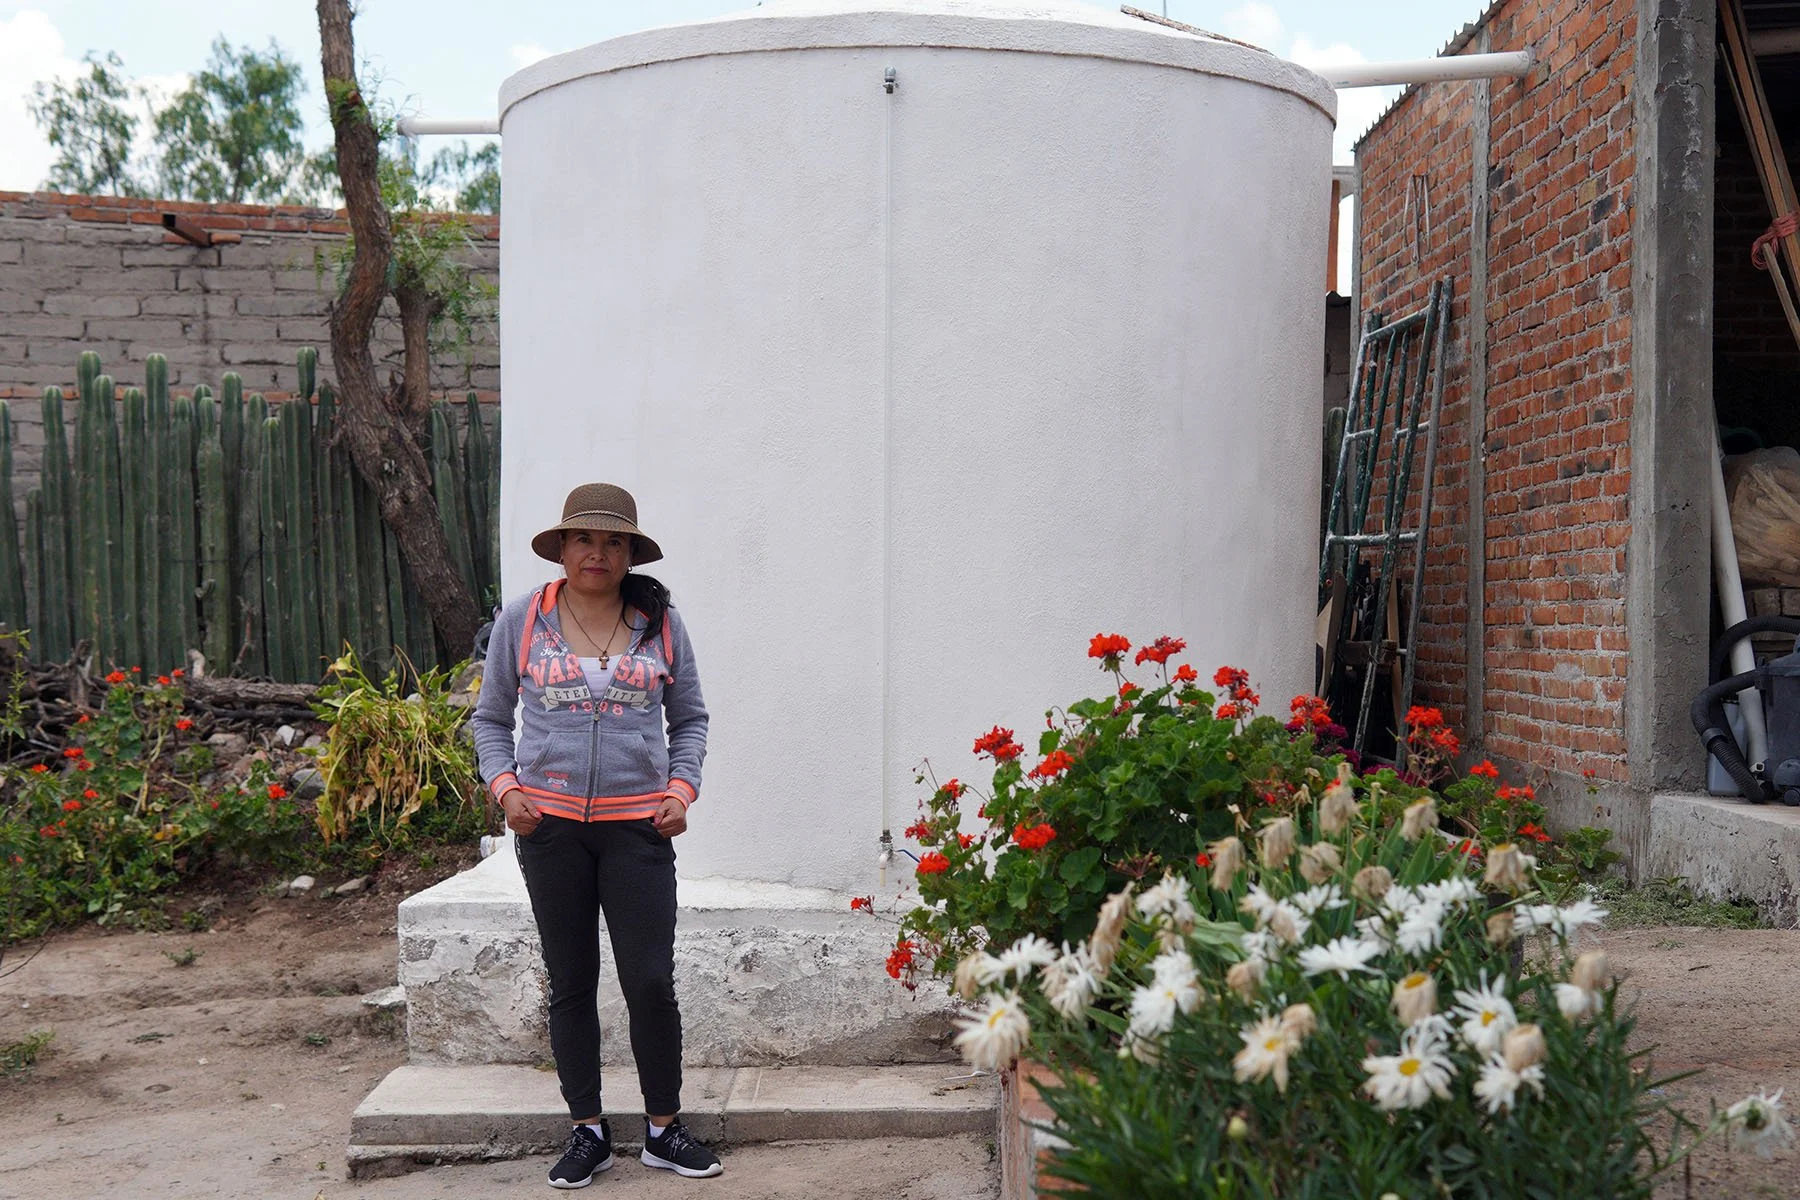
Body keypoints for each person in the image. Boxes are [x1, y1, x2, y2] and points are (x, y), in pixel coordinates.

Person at [473, 482, 721, 1187]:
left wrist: (680, 791)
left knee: (649, 981)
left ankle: (663, 1130)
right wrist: (507, 790)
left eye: (614, 541)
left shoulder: (660, 624)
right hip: (548, 831)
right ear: (562, 547)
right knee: (572, 981)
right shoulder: (523, 620)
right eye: (585, 538)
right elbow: (490, 720)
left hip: (637, 831)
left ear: (629, 554)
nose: (598, 553)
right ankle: (587, 1131)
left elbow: (692, 718)